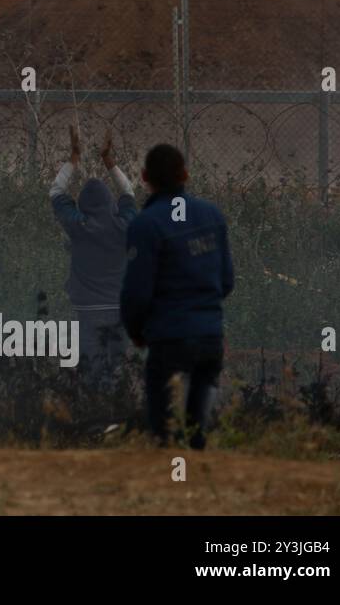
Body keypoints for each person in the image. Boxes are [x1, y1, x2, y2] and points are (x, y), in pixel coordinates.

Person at [121, 143, 235, 449]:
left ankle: (171, 479)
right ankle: (194, 484)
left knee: (166, 431)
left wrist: (136, 330)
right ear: (185, 174)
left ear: (145, 177)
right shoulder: (212, 216)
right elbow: (226, 282)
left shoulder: (146, 225)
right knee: (197, 431)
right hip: (210, 337)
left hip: (169, 339)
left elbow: (137, 292)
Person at [50, 126, 138, 379]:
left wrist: (74, 159)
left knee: (91, 374)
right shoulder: (124, 226)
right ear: (111, 204)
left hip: (87, 314)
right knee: (114, 372)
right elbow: (128, 193)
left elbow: (56, 192)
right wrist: (109, 162)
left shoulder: (80, 226)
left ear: (83, 206)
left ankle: (94, 413)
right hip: (120, 311)